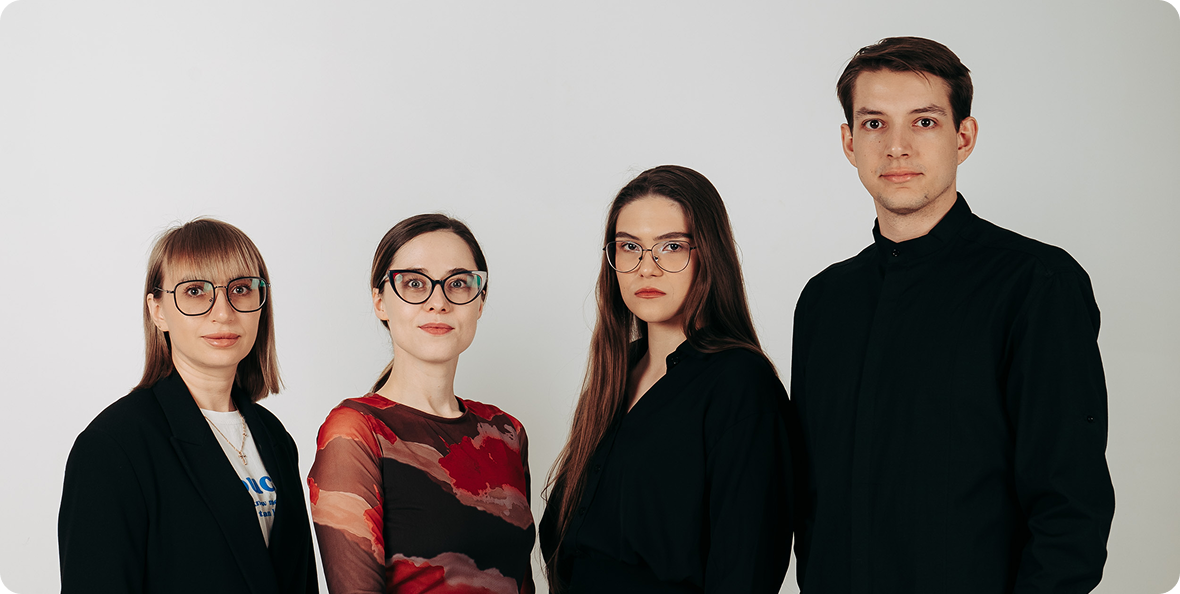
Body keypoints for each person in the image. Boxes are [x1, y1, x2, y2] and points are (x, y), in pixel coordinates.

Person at [791, 36, 1116, 593]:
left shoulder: (1037, 284)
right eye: (874, 124)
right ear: (849, 142)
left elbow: (1070, 507)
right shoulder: (825, 299)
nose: (896, 147)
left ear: (963, 138)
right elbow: (811, 497)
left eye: (924, 122)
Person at [539, 165, 793, 593]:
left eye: (671, 246)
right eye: (629, 247)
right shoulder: (615, 375)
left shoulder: (741, 384)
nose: (646, 268)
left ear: (708, 254)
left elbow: (745, 570)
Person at [58, 218, 318, 594]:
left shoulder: (275, 437)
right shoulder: (112, 447)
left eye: (241, 289)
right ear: (158, 310)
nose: (224, 312)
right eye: (195, 291)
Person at [308, 214, 535, 594]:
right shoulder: (356, 432)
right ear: (380, 301)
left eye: (458, 283)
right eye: (415, 283)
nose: (438, 302)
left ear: (480, 301)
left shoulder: (506, 432)